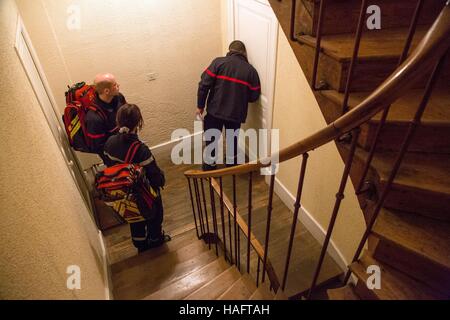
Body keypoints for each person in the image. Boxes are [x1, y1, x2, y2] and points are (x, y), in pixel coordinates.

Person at [103, 103, 170, 253]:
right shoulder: (140, 149)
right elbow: (154, 174)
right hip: (142, 191)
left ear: (118, 121)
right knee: (154, 216)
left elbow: (109, 164)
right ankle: (155, 239)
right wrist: (160, 182)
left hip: (124, 190)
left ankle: (140, 244)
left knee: (134, 217)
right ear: (139, 122)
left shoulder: (109, 142)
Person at [197, 40, 261, 170]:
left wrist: (200, 105)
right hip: (235, 114)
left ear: (230, 51)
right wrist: (241, 97)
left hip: (215, 111)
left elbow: (204, 84)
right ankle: (231, 165)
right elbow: (254, 96)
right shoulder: (251, 71)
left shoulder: (218, 62)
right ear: (244, 53)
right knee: (232, 139)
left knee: (212, 139)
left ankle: (210, 166)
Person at [86, 73, 126, 165]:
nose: (118, 85)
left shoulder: (119, 97)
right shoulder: (94, 118)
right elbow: (99, 147)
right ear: (107, 91)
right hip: (113, 156)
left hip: (127, 141)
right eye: (115, 85)